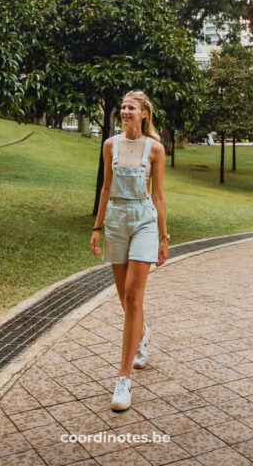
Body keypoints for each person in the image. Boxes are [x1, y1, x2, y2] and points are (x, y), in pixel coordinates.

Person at [90, 90, 168, 412]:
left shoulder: (156, 149)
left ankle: (123, 380)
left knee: (134, 297)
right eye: (122, 107)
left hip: (144, 222)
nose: (124, 112)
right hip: (116, 221)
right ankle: (143, 333)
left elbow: (159, 196)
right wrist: (96, 227)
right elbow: (106, 188)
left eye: (130, 108)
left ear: (143, 114)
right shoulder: (110, 145)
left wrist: (164, 236)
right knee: (125, 299)